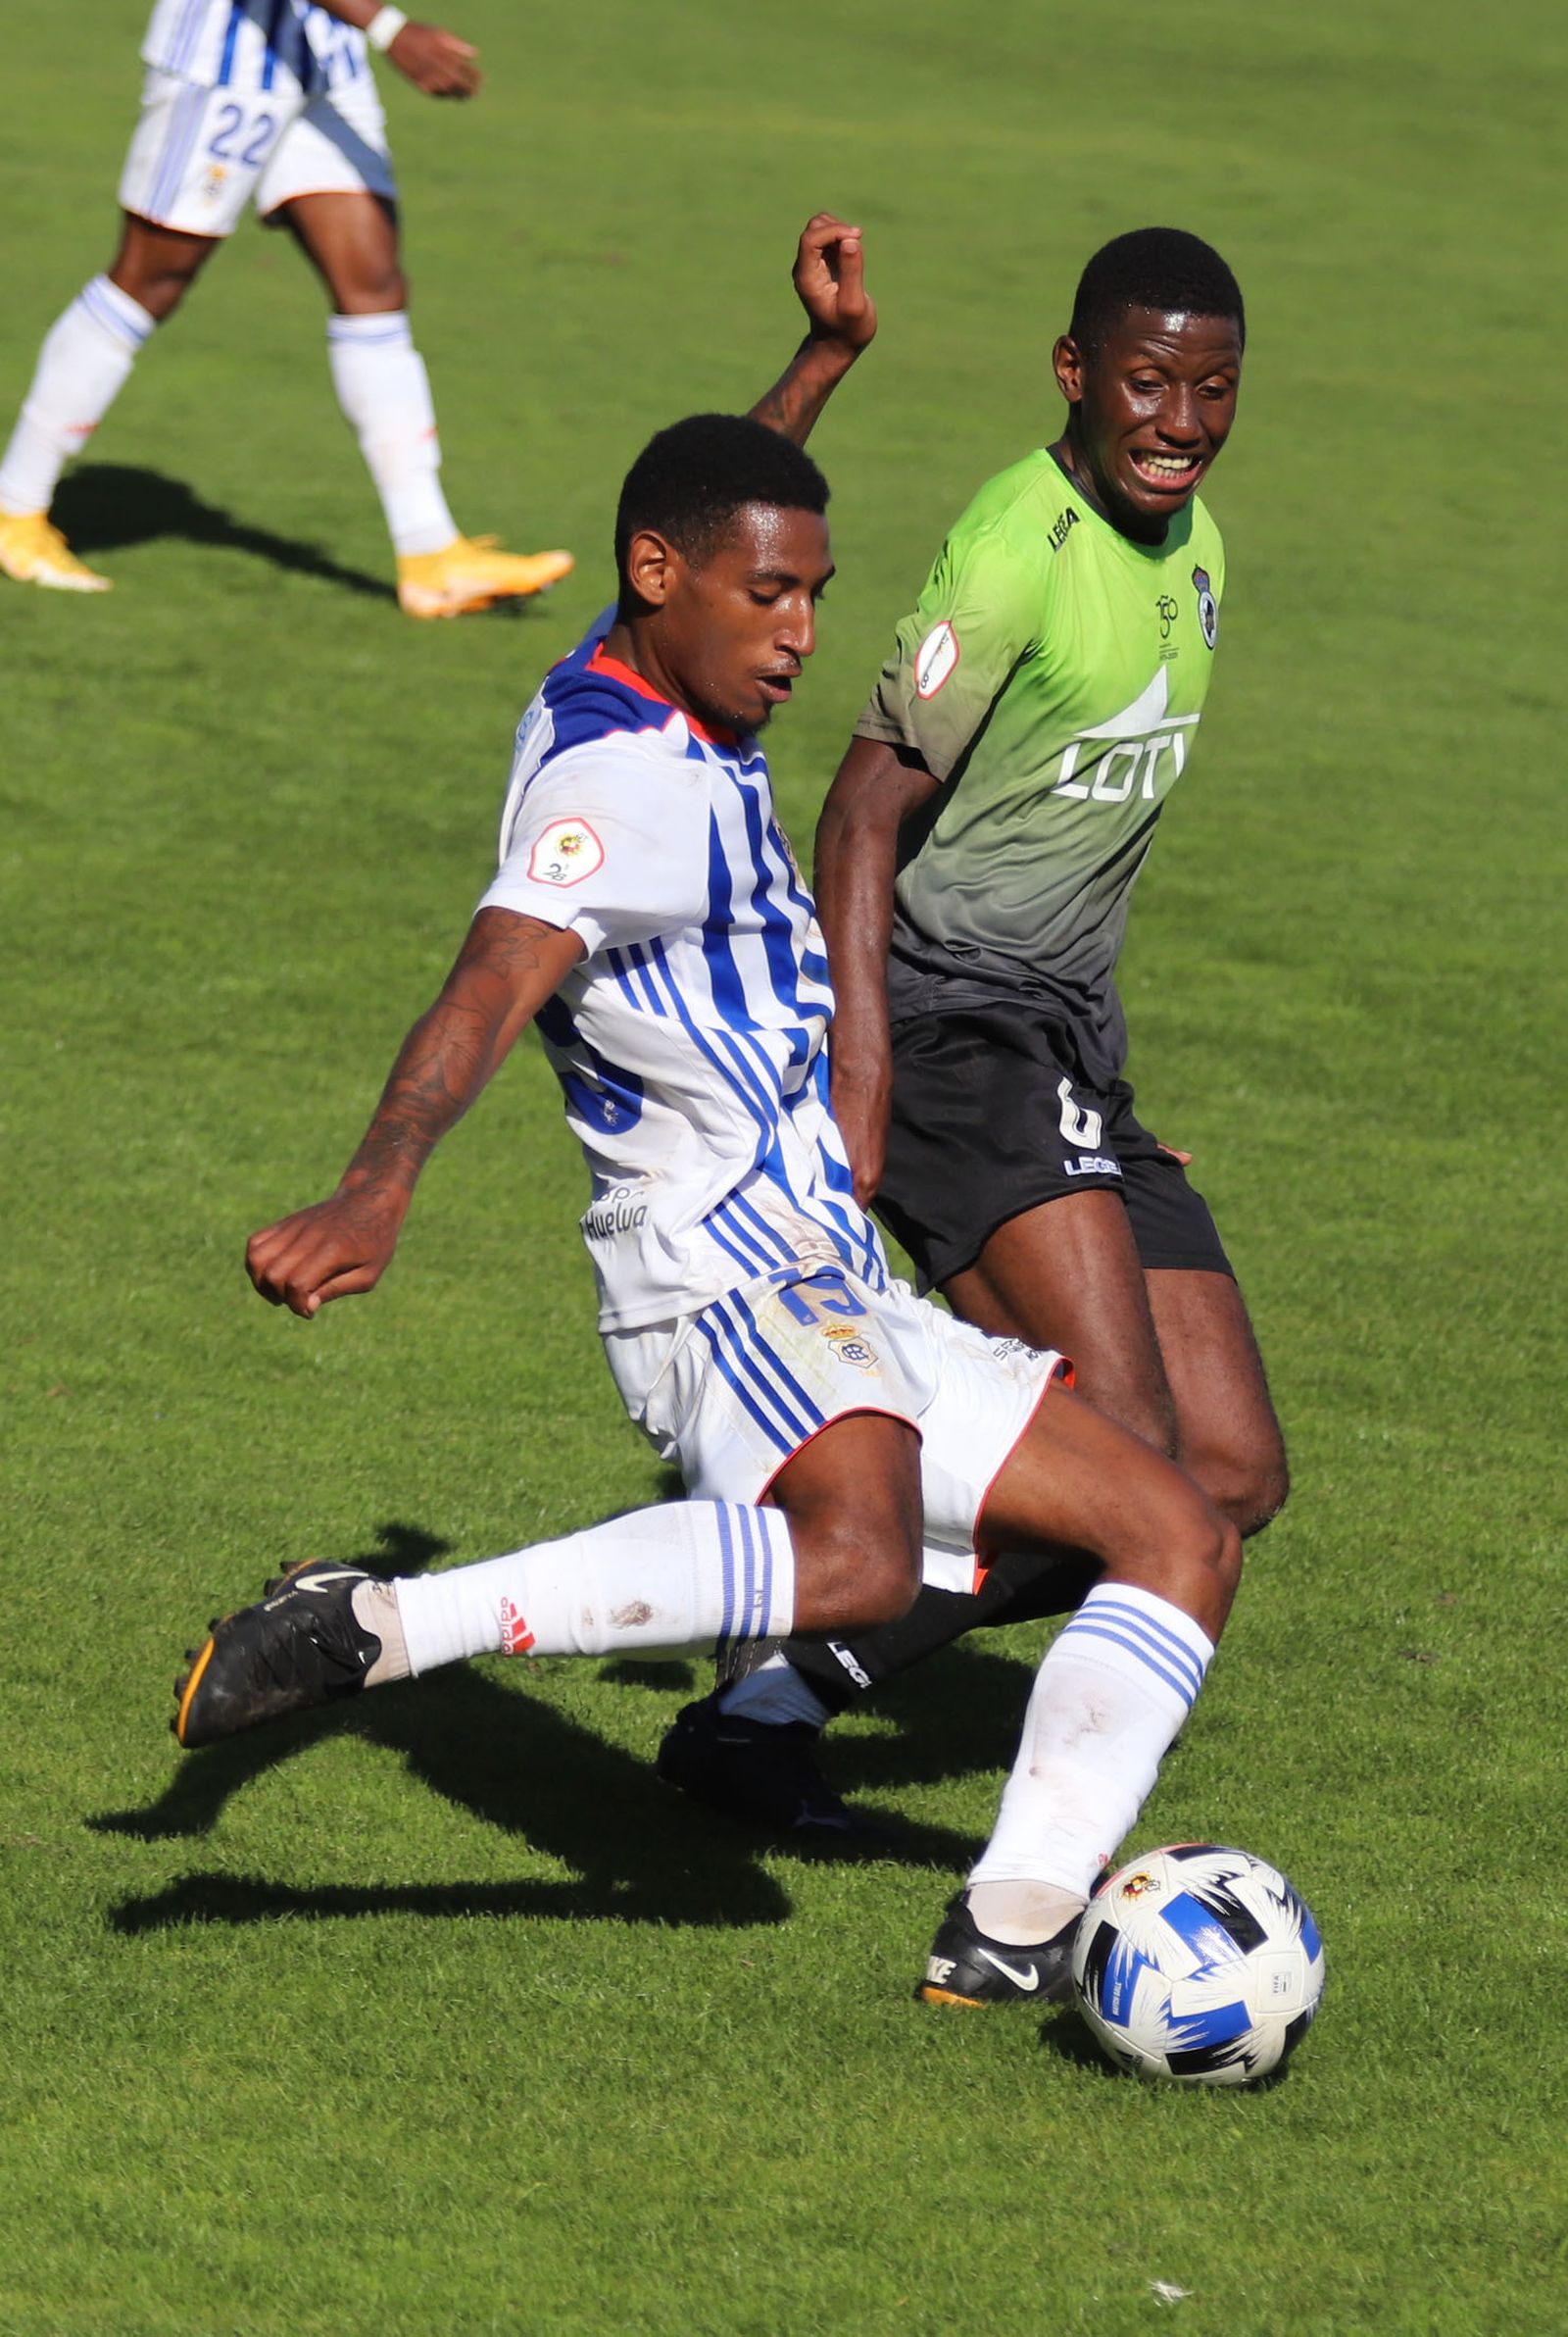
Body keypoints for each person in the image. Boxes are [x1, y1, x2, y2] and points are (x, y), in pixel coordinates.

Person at [171, 222, 1243, 2006]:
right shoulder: (621, 788)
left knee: (1178, 1524)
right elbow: (491, 978)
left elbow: (709, 528)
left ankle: (1017, 1920)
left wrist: (815, 365)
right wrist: (374, 1189)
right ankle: (377, 1623)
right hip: (718, 1269)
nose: (803, 636)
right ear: (665, 581)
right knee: (856, 1553)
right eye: (776, 601)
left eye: (813, 593)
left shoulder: (635, 654)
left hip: (825, 1265)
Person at [659, 226, 1290, 1838]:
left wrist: (1099, 1082)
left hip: (1063, 1055)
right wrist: (862, 1080)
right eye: (1148, 381)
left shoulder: (1198, 541)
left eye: (1212, 388)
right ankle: (991, 1862)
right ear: (1076, 373)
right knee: (1137, 1474)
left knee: (1226, 1477)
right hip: (948, 1039)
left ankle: (772, 1694)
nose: (1182, 418)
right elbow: (863, 816)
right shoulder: (1018, 550)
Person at [0, 0, 571, 617]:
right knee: (150, 278)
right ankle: (15, 508)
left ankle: (431, 554)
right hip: (228, 65)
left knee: (373, 285)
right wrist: (391, 29)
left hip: (325, 59)